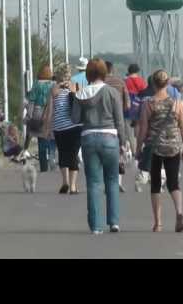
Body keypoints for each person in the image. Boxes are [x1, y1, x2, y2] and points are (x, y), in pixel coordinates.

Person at [72, 58, 125, 234]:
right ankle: (114, 221)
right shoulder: (112, 92)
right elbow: (119, 120)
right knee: (112, 180)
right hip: (110, 138)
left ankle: (96, 226)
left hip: (88, 138)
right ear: (104, 73)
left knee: (94, 183)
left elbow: (75, 119)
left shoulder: (81, 93)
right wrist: (123, 143)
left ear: (88, 73)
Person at [136, 70, 183, 233]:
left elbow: (143, 129)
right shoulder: (177, 102)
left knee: (156, 185)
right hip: (173, 146)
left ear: (152, 84)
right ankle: (179, 212)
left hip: (155, 147)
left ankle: (158, 223)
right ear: (167, 84)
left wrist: (138, 147)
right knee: (174, 183)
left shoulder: (148, 104)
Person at [43, 63, 82, 194]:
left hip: (59, 127)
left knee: (63, 153)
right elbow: (82, 106)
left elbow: (49, 112)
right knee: (73, 155)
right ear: (69, 74)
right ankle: (73, 186)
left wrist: (47, 130)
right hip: (75, 126)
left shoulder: (53, 89)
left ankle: (65, 182)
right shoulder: (76, 86)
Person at [24, 64, 56, 172]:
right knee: (51, 137)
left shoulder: (36, 84)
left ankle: (43, 166)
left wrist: (29, 115)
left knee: (41, 139)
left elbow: (31, 101)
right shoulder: (54, 84)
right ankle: (52, 159)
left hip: (38, 113)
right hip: (51, 113)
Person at [104, 61, 130, 192]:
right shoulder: (120, 82)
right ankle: (118, 182)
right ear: (112, 69)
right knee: (120, 150)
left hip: (103, 123)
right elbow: (128, 105)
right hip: (118, 120)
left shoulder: (98, 83)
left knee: (105, 154)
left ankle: (107, 183)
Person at [124, 64, 147, 153]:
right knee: (139, 128)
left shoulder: (125, 81)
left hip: (127, 107)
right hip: (139, 107)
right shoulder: (142, 81)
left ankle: (133, 151)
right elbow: (145, 95)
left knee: (129, 131)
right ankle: (139, 148)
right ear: (137, 71)